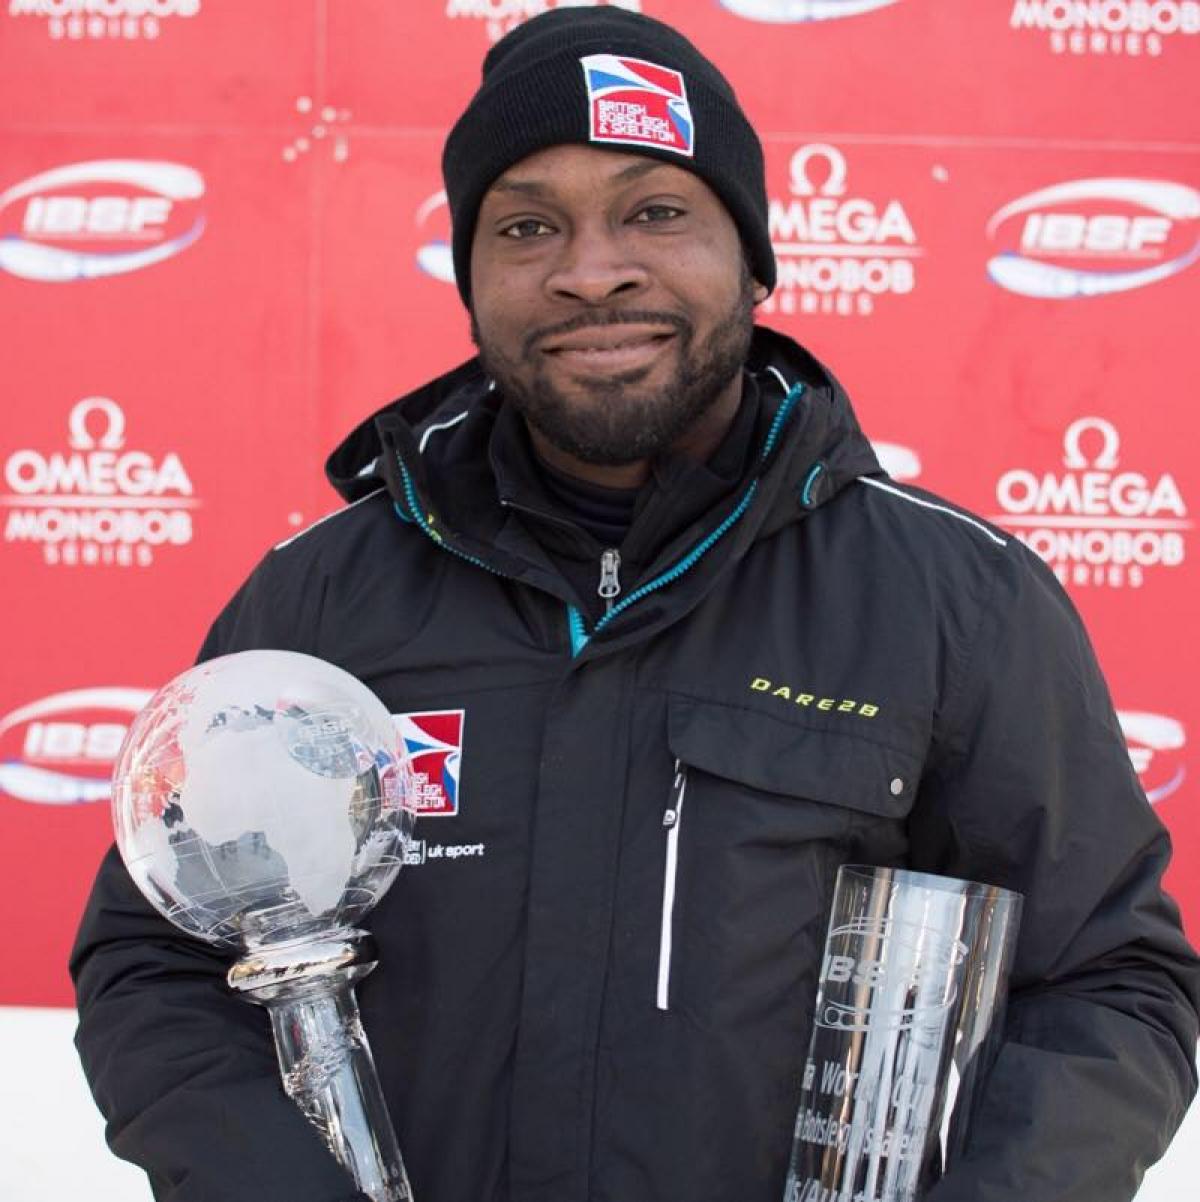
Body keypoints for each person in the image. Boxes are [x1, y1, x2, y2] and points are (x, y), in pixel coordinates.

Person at [71, 9, 1199, 1202]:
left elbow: (1108, 987)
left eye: (656, 211)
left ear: (755, 256)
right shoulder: (317, 602)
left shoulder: (957, 600)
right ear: (468, 280)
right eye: (527, 225)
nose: (592, 269)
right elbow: (159, 960)